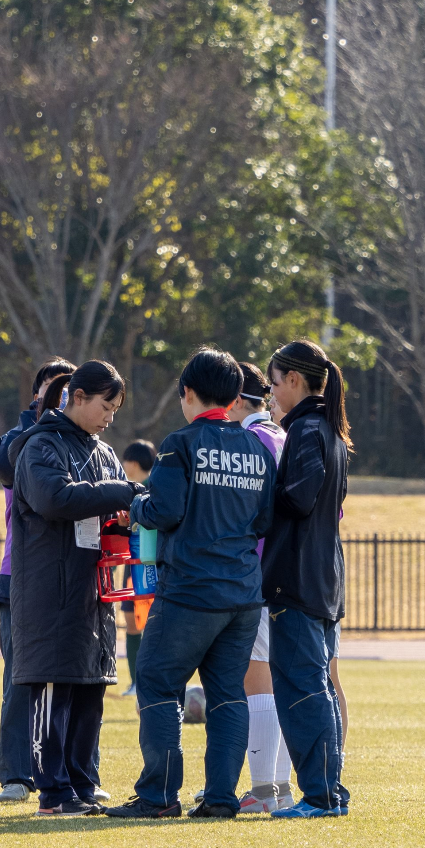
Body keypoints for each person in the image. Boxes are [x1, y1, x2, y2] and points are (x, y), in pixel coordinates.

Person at [105, 348, 275, 820]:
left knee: (157, 683)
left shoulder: (181, 445)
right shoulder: (257, 450)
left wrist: (136, 508)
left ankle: (159, 796)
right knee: (227, 694)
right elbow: (264, 520)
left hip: (190, 592)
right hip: (242, 593)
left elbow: (163, 511)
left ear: (188, 393)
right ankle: (221, 797)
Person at [8, 363, 144, 817]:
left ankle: (84, 784)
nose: (109, 416)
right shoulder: (39, 445)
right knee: (54, 689)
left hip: (92, 592)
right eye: (105, 405)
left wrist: (119, 518)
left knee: (90, 689)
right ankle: (53, 792)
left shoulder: (104, 453)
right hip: (50, 591)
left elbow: (102, 508)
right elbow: (55, 499)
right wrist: (120, 494)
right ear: (77, 396)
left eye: (116, 409)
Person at [262, 340, 351, 818]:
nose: (272, 394)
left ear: (294, 380)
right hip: (321, 577)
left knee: (302, 687)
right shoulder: (331, 430)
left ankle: (319, 795)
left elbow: (298, 498)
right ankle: (330, 791)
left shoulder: (307, 430)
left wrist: (259, 496)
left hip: (297, 579)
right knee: (315, 683)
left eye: (274, 383)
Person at [0, 358, 75, 804]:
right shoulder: (17, 442)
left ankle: (71, 773)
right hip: (19, 574)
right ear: (36, 394)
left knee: (78, 679)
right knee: (21, 679)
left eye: (69, 388)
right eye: (50, 388)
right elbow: (7, 464)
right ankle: (17, 775)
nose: (59, 395)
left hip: (76, 573)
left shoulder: (89, 444)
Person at [227, 362, 293, 813]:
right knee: (286, 683)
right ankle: (282, 788)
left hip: (259, 574)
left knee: (258, 681)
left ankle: (263, 790)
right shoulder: (286, 436)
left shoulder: (249, 441)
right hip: (295, 574)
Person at [118, 439, 156, 697]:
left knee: (153, 623)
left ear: (132, 463)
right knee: (131, 620)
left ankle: (150, 682)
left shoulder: (155, 488)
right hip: (131, 564)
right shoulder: (127, 490)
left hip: (151, 563)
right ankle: (135, 682)